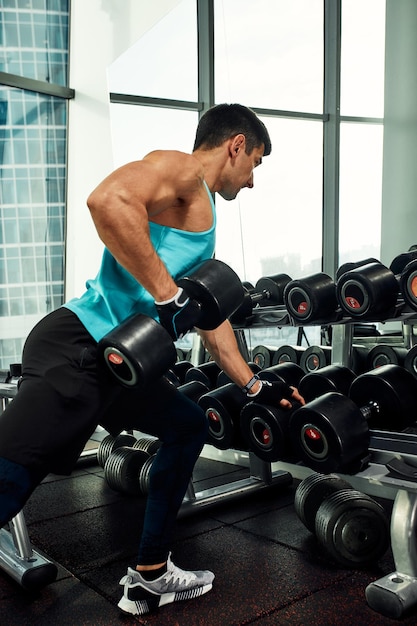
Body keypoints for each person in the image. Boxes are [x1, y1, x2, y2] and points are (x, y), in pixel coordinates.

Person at [0, 103, 305, 616]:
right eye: (254, 163)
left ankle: (151, 574)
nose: (251, 181)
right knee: (10, 483)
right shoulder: (182, 171)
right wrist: (166, 295)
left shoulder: (200, 216)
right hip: (79, 347)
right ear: (235, 145)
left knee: (188, 425)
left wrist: (255, 386)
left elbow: (210, 320)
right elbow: (108, 200)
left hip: (122, 365)